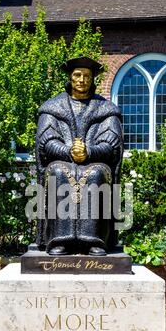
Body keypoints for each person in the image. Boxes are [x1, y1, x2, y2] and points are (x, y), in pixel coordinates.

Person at [35, 56, 123, 256]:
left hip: (94, 161)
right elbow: (46, 141)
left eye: (86, 76)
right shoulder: (52, 107)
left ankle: (94, 241)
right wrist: (68, 152)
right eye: (77, 75)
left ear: (92, 79)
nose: (82, 80)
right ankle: (59, 240)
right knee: (58, 171)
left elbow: (112, 143)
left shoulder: (105, 109)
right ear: (70, 78)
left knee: (96, 174)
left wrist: (89, 152)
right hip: (62, 160)